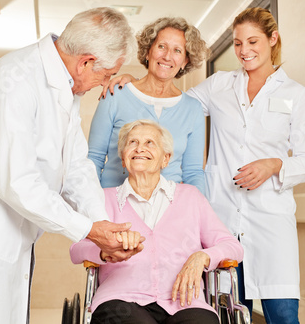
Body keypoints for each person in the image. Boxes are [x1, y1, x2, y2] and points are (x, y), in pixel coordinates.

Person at [0, 7, 145, 324]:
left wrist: (101, 222)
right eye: (107, 74)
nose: (106, 83)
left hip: (14, 236)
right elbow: (17, 182)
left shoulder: (64, 88)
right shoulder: (14, 79)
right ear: (85, 62)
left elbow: (75, 167)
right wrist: (88, 230)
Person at [103, 7, 305, 324]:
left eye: (253, 42)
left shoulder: (295, 95)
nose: (244, 51)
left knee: (284, 315)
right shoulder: (219, 85)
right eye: (237, 43)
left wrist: (275, 165)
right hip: (221, 215)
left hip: (271, 221)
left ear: (273, 39)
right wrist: (136, 82)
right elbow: (169, 102)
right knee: (229, 310)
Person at [71, 120, 244, 324]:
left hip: (186, 303)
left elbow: (233, 246)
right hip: (121, 301)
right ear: (124, 159)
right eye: (132, 142)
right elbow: (76, 249)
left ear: (166, 159)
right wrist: (104, 250)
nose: (140, 148)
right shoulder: (103, 199)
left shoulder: (190, 197)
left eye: (150, 142)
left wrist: (203, 256)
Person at [88, 17, 210, 196]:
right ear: (148, 52)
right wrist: (93, 207)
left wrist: (198, 211)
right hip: (114, 204)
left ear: (185, 61)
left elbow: (193, 173)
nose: (167, 56)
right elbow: (94, 159)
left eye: (177, 50)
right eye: (161, 46)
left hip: (168, 211)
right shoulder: (116, 95)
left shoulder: (192, 109)